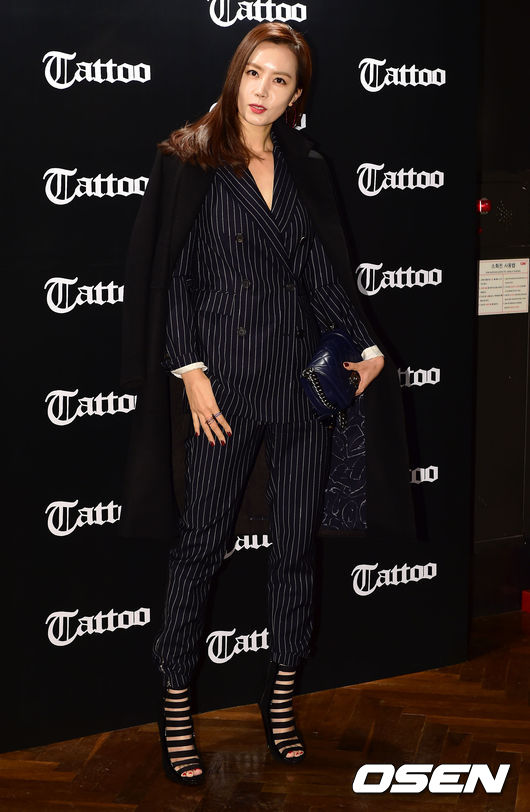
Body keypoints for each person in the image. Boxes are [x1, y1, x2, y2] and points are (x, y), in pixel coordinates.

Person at [120, 22, 416, 785]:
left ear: (295, 95)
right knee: (200, 547)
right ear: (236, 74)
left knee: (294, 550)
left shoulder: (304, 166)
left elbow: (321, 275)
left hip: (299, 390)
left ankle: (279, 695)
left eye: (279, 79)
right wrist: (189, 371)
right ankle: (176, 703)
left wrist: (367, 346)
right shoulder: (190, 157)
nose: (262, 90)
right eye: (254, 72)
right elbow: (172, 278)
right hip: (222, 389)